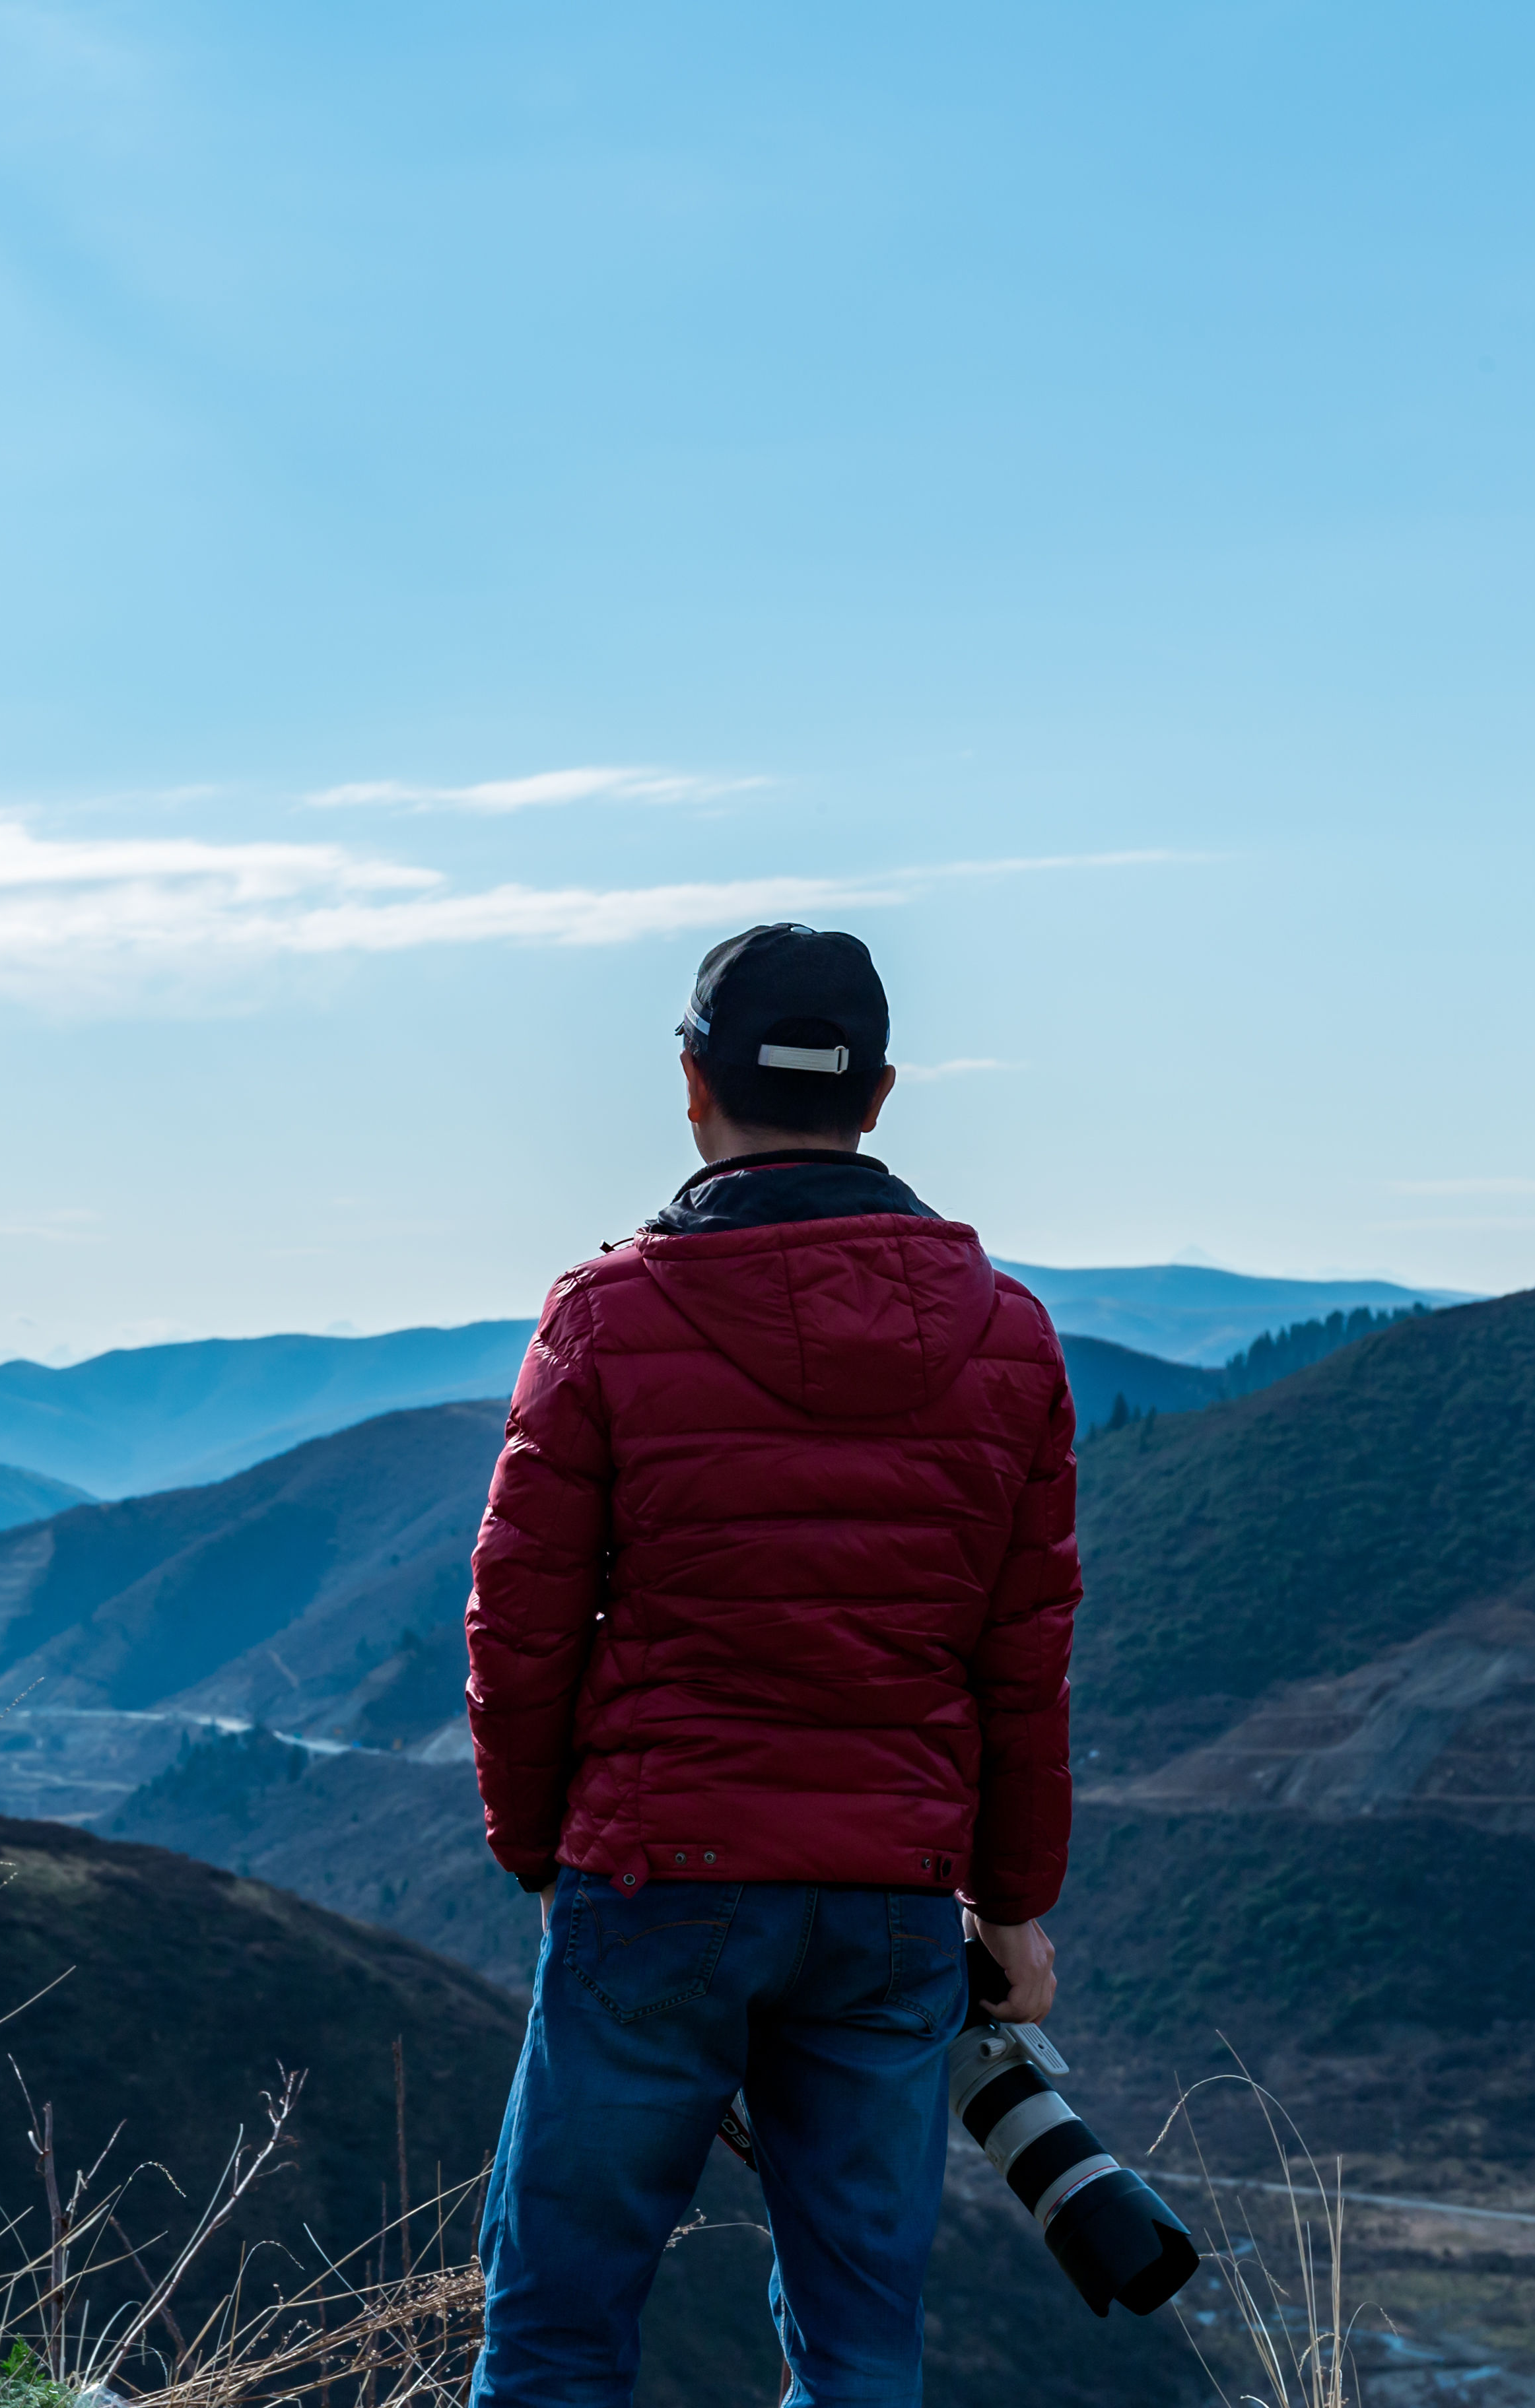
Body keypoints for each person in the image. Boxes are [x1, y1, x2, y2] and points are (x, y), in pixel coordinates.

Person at [461, 923, 1081, 2408]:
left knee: (557, 2332)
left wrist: (539, 1846)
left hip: (655, 1883)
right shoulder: (1009, 1339)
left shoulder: (608, 1317)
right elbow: (1024, 1654)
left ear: (692, 1082)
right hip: (888, 1908)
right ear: (880, 1094)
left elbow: (520, 1616)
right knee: (862, 2349)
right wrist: (1011, 1909)